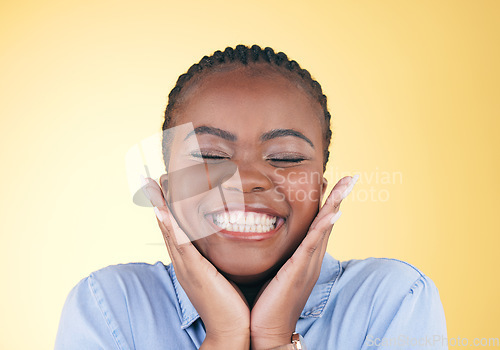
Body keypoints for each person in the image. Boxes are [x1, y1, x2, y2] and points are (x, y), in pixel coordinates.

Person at [55, 44, 447, 350]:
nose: (244, 180)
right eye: (210, 156)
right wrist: (224, 337)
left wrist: (275, 337)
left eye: (286, 157)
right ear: (169, 188)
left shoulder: (393, 300)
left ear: (321, 192)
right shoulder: (109, 306)